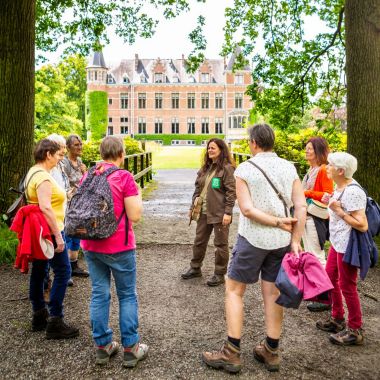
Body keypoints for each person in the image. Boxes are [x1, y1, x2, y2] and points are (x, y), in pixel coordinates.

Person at [202, 124, 306, 373]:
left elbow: (247, 209)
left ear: (254, 143)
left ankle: (231, 352)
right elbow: (300, 207)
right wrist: (294, 238)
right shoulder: (288, 167)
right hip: (281, 242)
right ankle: (271, 350)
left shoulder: (246, 169)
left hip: (252, 239)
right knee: (272, 294)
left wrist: (275, 221)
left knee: (235, 291)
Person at [81, 136, 148, 367]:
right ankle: (131, 347)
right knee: (127, 295)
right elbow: (135, 215)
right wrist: (137, 193)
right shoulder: (124, 177)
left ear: (101, 153)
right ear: (121, 154)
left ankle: (103, 346)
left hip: (90, 244)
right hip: (119, 245)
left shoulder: (89, 175)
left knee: (100, 293)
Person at [25, 139, 79, 339]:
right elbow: (46, 207)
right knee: (63, 271)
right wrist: (58, 236)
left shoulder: (33, 172)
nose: (59, 159)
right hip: (50, 231)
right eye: (58, 155)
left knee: (39, 270)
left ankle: (39, 315)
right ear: (48, 154)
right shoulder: (44, 178)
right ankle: (55, 319)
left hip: (40, 231)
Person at [316, 152, 367, 346]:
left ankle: (355, 329)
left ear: (340, 170)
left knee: (347, 285)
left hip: (348, 246)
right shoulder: (339, 187)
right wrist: (331, 202)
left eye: (330, 165)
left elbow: (362, 225)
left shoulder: (353, 191)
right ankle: (337, 318)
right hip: (337, 243)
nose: (326, 167)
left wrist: (338, 210)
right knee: (330, 278)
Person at [181, 138, 236, 287]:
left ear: (221, 150)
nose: (210, 150)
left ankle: (219, 273)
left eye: (213, 148)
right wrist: (192, 206)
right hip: (203, 212)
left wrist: (228, 212)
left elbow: (232, 192)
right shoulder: (205, 168)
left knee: (220, 244)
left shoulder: (227, 169)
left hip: (220, 213)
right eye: (208, 148)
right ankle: (195, 268)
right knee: (199, 241)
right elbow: (197, 189)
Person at [302, 137, 334, 312]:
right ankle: (317, 291)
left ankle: (325, 297)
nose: (307, 151)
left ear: (318, 151)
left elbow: (328, 195)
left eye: (310, 149)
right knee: (310, 254)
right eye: (306, 148)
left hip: (316, 218)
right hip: (306, 217)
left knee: (317, 255)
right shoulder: (311, 170)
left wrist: (305, 192)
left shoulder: (323, 170)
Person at [62, 134, 89, 284]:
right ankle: (65, 271)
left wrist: (85, 172)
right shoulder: (64, 163)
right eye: (76, 145)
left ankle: (74, 265)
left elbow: (85, 181)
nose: (80, 147)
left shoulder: (79, 161)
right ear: (68, 147)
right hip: (69, 205)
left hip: (81, 204)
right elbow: (64, 184)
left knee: (78, 234)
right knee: (68, 235)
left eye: (80, 144)